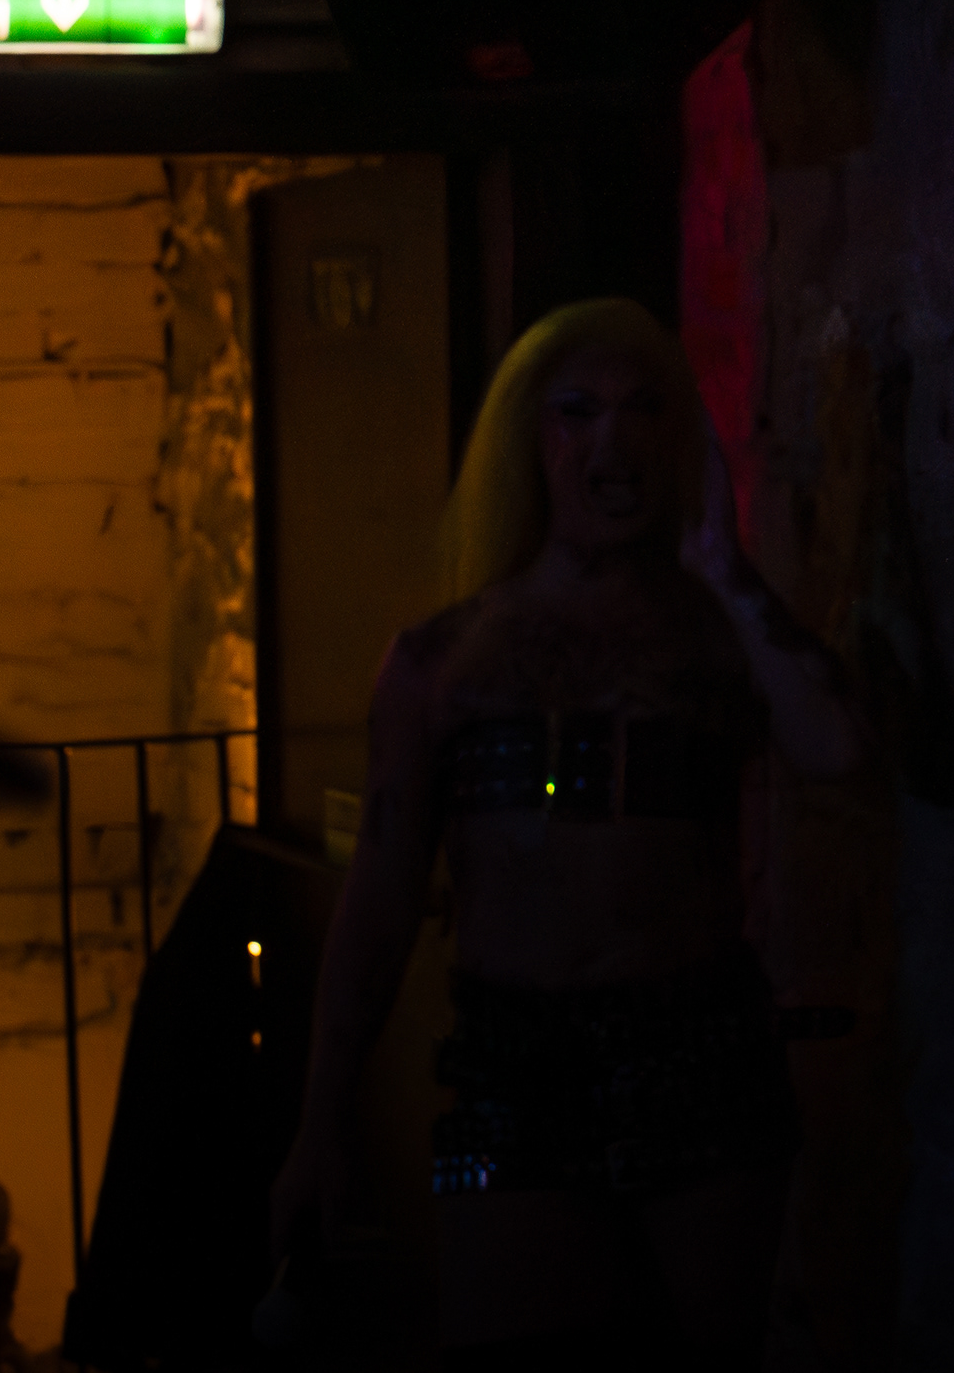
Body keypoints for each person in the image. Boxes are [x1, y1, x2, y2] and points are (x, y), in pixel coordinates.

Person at [271, 298, 862, 1371]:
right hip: (514, 1068)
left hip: (700, 1056)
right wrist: (322, 1120)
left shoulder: (715, 634)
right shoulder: (441, 662)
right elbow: (382, 897)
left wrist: (727, 569)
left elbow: (836, 745)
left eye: (643, 410)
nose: (611, 440)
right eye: (578, 411)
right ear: (531, 441)